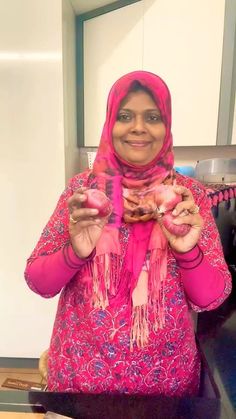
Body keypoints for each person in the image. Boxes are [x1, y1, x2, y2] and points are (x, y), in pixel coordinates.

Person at [25, 70, 232, 396]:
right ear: (110, 124)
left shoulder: (187, 197)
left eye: (152, 116)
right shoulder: (81, 192)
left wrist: (188, 251)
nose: (138, 127)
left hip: (165, 389)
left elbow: (211, 298)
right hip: (81, 384)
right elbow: (39, 281)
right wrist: (75, 252)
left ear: (166, 126)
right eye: (125, 116)